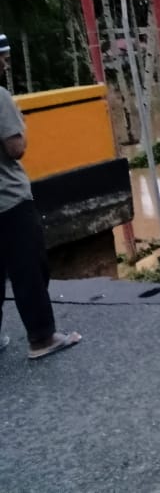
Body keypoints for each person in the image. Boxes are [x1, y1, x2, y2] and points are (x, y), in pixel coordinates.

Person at [0, 33, 82, 359]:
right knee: (29, 269)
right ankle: (42, 338)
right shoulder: (1, 97)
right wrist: (22, 125)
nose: (6, 63)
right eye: (2, 58)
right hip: (9, 201)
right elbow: (15, 148)